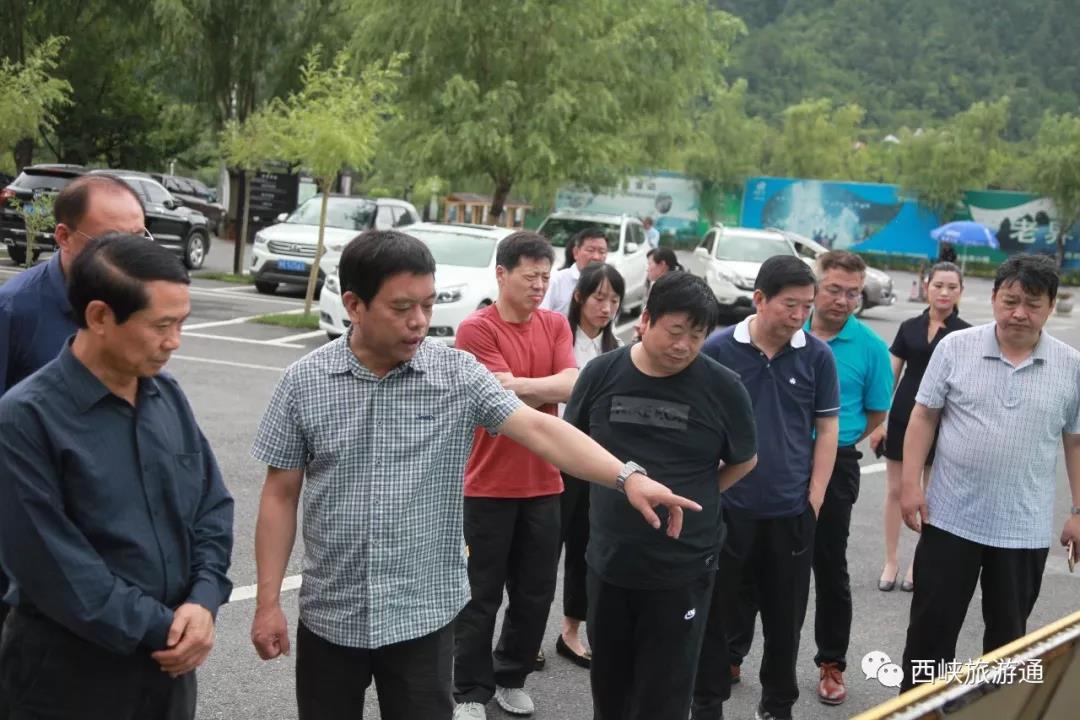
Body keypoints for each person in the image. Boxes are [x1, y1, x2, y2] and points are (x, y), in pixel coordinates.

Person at [248, 230, 703, 720]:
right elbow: (280, 495)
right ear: (354, 305)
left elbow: (540, 429)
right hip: (332, 616)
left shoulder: (456, 375)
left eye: (427, 304)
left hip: (422, 618)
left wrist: (627, 477)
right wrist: (267, 602)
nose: (419, 321)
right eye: (402, 307)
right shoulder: (304, 382)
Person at [0, 234, 234, 720]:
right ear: (100, 316)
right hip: (68, 678)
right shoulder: (25, 419)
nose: (174, 341)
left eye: (182, 323)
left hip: (169, 670)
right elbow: (56, 569)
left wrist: (204, 599)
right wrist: (169, 629)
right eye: (162, 325)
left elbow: (212, 506)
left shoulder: (167, 396)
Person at [565, 271, 759, 720]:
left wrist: (699, 494)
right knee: (610, 689)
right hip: (610, 561)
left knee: (665, 696)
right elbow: (572, 447)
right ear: (646, 319)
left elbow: (745, 460)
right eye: (675, 331)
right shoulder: (601, 374)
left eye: (697, 336)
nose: (684, 346)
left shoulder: (723, 387)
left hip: (682, 565)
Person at [899, 254, 1080, 692]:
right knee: (930, 632)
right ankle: (918, 709)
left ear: (1051, 306)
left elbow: (1075, 441)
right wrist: (910, 486)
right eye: (1011, 300)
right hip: (950, 518)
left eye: (1032, 304)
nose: (1019, 313)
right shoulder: (955, 347)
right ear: (995, 297)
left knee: (1007, 641)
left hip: (1023, 529)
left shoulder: (1071, 365)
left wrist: (1078, 511)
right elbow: (923, 416)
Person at [693, 256, 839, 720]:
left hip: (790, 511)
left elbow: (827, 429)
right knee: (715, 615)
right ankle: (707, 703)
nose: (799, 315)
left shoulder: (817, 355)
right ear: (759, 299)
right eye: (789, 304)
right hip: (727, 508)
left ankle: (777, 706)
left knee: (785, 620)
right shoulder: (718, 349)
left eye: (806, 306)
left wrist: (814, 498)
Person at [452, 232, 579, 717]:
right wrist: (543, 388)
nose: (540, 286)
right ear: (502, 274)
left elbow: (572, 383)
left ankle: (510, 676)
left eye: (546, 277)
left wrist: (521, 384)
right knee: (479, 595)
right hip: (487, 485)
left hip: (545, 483)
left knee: (534, 593)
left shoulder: (555, 324)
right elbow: (497, 397)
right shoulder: (476, 329)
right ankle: (469, 691)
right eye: (530, 276)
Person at [805, 250, 893, 705]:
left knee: (829, 565)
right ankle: (734, 653)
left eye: (853, 293)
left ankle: (832, 663)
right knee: (757, 559)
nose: (843, 300)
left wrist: (840, 438)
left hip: (837, 462)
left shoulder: (871, 347)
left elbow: (877, 411)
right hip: (778, 459)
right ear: (815, 286)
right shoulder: (788, 329)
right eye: (834, 289)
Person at [867, 262, 968, 593]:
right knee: (895, 491)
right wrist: (878, 424)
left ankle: (917, 563)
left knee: (930, 495)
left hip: (943, 422)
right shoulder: (909, 327)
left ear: (961, 292)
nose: (944, 292)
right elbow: (889, 378)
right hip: (901, 418)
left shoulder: (965, 334)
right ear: (926, 287)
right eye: (938, 285)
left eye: (952, 287)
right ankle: (891, 560)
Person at [555, 263, 626, 669]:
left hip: (592, 461)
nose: (606, 308)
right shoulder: (558, 337)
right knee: (542, 550)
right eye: (599, 298)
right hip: (551, 455)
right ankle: (526, 633)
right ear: (580, 296)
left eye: (614, 300)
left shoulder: (618, 350)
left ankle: (571, 630)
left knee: (584, 546)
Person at [540, 226, 609, 315]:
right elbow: (541, 315)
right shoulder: (556, 280)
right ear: (576, 252)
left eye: (602, 252)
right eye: (590, 250)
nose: (596, 257)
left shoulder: (607, 283)